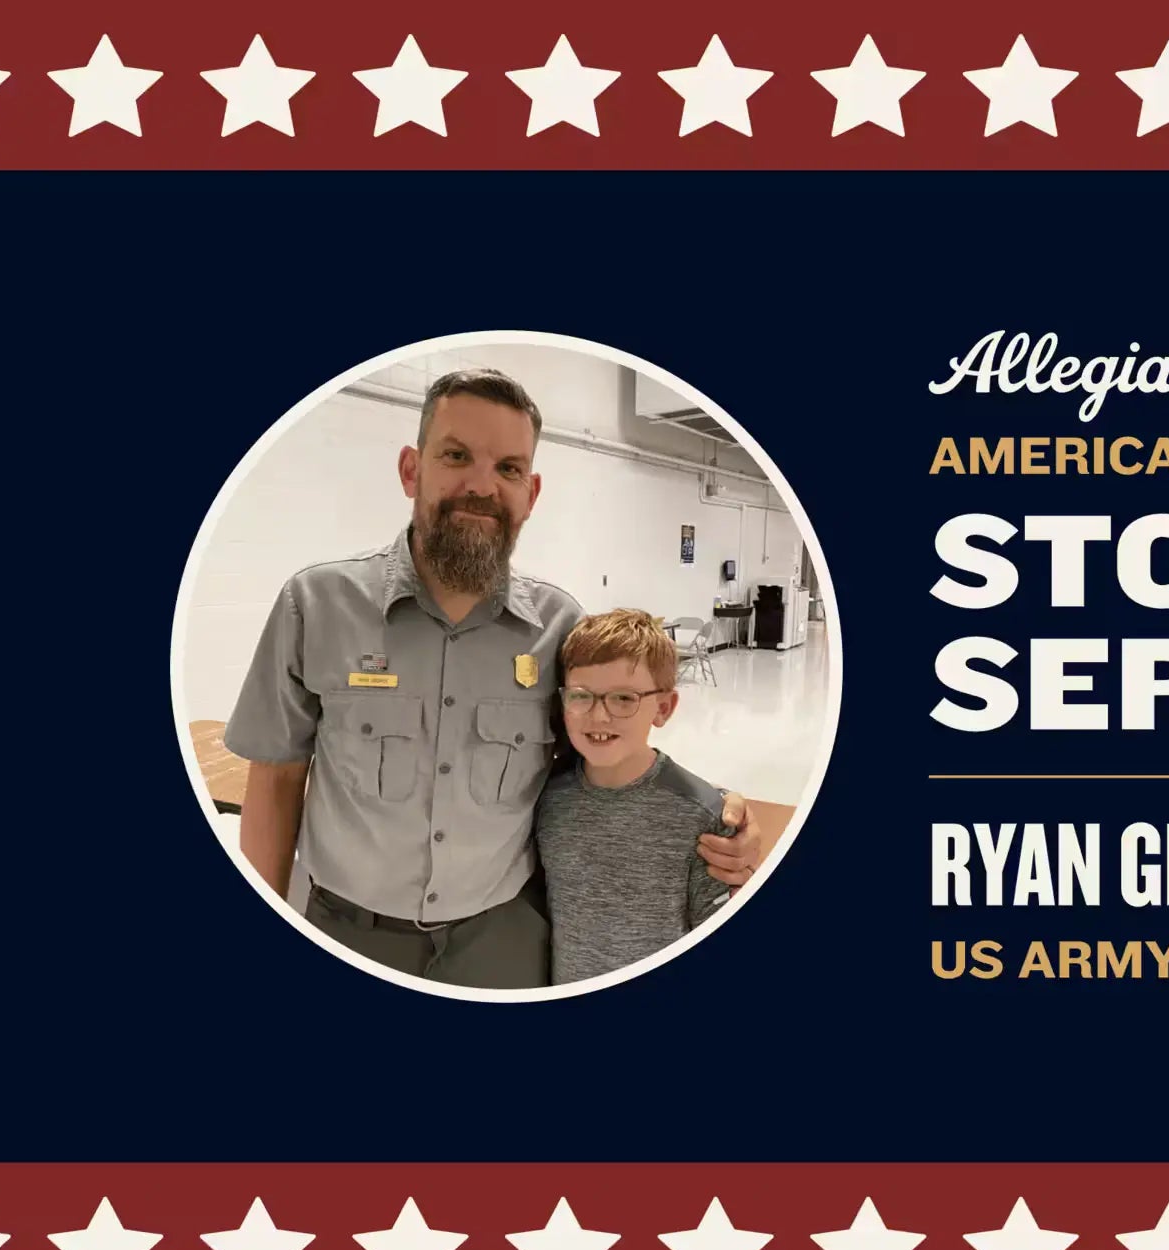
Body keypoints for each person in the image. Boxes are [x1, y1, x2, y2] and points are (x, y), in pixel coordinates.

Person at [224, 366, 765, 988]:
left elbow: (605, 748)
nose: (482, 485)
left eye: (509, 468)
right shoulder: (315, 605)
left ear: (531, 494)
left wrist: (716, 810)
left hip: (504, 942)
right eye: (456, 455)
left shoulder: (560, 626)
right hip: (348, 932)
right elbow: (275, 781)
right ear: (411, 469)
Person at [537, 610, 733, 984]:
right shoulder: (549, 799)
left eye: (623, 699)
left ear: (663, 708)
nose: (598, 716)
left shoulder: (701, 817)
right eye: (580, 696)